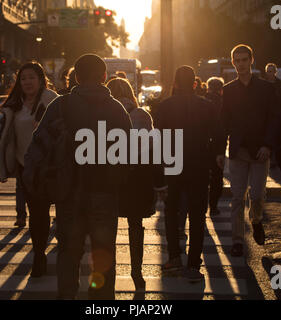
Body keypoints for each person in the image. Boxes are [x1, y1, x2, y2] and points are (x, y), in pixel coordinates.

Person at [24, 54, 132, 299]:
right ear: (104, 77)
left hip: (68, 192)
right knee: (103, 253)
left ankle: (68, 296)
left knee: (68, 254)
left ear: (76, 78)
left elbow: (37, 147)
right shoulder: (116, 109)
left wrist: (35, 184)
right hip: (104, 192)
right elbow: (128, 155)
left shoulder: (60, 106)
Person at [155, 65, 224, 282]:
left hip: (173, 163)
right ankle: (193, 263)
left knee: (171, 211)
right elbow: (219, 134)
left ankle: (174, 257)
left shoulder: (165, 106)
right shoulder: (207, 106)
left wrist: (160, 170)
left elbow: (159, 139)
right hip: (199, 165)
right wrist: (215, 156)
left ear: (175, 83)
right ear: (195, 83)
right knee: (197, 216)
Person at [106, 77, 165, 291]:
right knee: (135, 227)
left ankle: (108, 271)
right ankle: (136, 271)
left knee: (106, 229)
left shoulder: (104, 113)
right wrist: (159, 183)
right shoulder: (141, 116)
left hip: (109, 179)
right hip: (137, 179)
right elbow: (152, 150)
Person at [220, 44, 279, 257]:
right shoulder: (228, 89)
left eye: (245, 60)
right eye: (237, 60)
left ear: (251, 61)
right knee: (237, 198)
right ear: (233, 62)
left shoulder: (265, 88)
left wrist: (268, 145)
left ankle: (256, 220)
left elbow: (274, 119)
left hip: (260, 150)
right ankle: (237, 240)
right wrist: (220, 150)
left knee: (257, 194)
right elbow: (224, 122)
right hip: (238, 150)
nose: (241, 64)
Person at [0, 61, 58, 231]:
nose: (27, 82)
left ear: (41, 79)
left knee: (42, 208)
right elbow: (6, 139)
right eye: (23, 79)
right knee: (35, 210)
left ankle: (40, 249)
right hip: (24, 165)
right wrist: (1, 165)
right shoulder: (14, 105)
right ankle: (38, 253)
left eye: (31, 78)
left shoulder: (52, 100)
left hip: (47, 164)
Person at [205, 77, 225, 216]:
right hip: (218, 144)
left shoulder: (201, 101)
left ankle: (201, 205)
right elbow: (223, 127)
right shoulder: (223, 103)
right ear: (221, 89)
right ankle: (213, 206)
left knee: (202, 176)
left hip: (202, 144)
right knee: (217, 178)